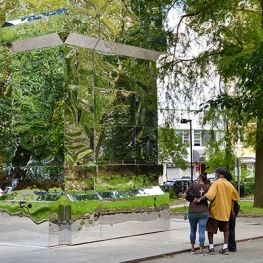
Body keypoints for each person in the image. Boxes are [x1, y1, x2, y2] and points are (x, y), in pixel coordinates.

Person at [193, 167, 239, 255]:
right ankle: (225, 248)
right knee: (226, 230)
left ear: (218, 174)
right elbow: (236, 197)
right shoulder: (230, 185)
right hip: (225, 211)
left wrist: (198, 200)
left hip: (215, 211)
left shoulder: (216, 183)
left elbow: (209, 195)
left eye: (216, 173)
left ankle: (211, 248)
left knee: (210, 230)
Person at [183, 173, 210, 256]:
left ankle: (192, 249)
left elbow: (184, 195)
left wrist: (191, 199)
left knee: (192, 230)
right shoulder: (208, 187)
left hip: (192, 211)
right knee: (201, 231)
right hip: (204, 211)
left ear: (199, 178)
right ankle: (201, 250)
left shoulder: (193, 185)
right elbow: (210, 197)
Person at [225, 170, 240, 252]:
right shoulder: (231, 185)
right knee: (231, 227)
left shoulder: (228, 186)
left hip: (232, 207)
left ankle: (231, 246)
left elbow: (232, 200)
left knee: (230, 227)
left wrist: (232, 211)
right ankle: (231, 245)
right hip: (234, 207)